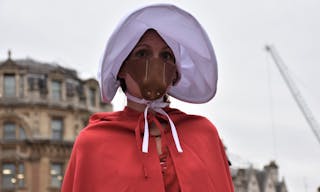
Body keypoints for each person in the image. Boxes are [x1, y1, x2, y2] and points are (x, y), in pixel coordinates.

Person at [61, 4, 234, 192]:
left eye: (166, 56)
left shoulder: (203, 133)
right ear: (121, 68)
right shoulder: (93, 142)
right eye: (142, 53)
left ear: (175, 73)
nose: (156, 64)